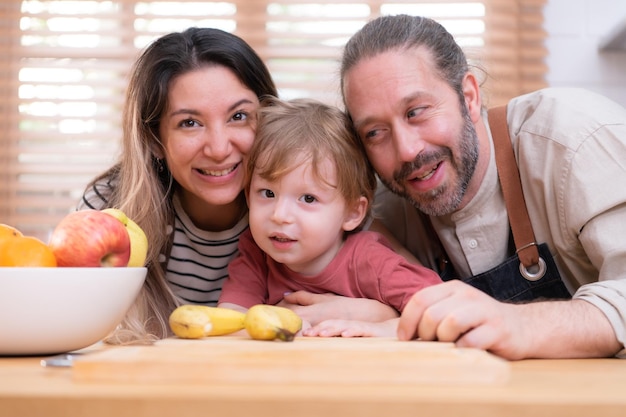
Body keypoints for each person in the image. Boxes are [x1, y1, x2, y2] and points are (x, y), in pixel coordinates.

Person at [334, 14, 626, 359]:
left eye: (416, 112)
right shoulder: (385, 207)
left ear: (469, 97)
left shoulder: (574, 140)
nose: (407, 151)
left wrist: (520, 323)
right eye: (375, 133)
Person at [80, 27, 397, 344]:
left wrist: (372, 313)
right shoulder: (110, 211)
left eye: (239, 116)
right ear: (155, 141)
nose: (218, 149)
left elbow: (421, 298)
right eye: (189, 123)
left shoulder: (323, 203)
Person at [218, 97, 442, 336]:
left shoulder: (370, 261)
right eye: (268, 193)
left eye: (308, 199)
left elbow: (440, 308)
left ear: (352, 213)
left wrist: (388, 325)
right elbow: (230, 319)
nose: (279, 215)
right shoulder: (257, 254)